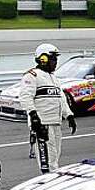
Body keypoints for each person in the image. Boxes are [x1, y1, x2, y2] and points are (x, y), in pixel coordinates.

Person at [21, 43, 77, 174]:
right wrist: (34, 117)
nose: (56, 62)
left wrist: (69, 115)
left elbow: (61, 98)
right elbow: (25, 97)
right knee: (48, 163)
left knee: (55, 157)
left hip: (56, 124)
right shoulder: (32, 76)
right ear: (43, 59)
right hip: (43, 125)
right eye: (53, 58)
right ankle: (49, 185)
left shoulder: (54, 78)